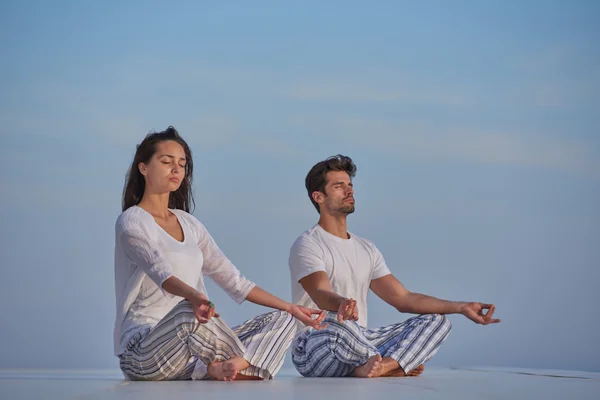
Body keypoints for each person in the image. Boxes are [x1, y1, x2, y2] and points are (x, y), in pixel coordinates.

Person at [114, 126, 326, 382]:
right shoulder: (132, 222)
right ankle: (229, 365)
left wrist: (291, 307)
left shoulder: (189, 224)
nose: (176, 169)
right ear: (143, 168)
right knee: (186, 313)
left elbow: (234, 281)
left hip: (191, 351)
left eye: (182, 164)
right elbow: (160, 272)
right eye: (166, 161)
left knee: (284, 320)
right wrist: (195, 297)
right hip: (143, 351)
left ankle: (218, 367)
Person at [289, 155, 500, 378]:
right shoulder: (308, 244)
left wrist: (461, 307)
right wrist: (341, 303)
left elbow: (403, 298)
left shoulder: (366, 248)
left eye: (350, 185)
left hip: (359, 343)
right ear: (319, 196)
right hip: (317, 345)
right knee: (337, 322)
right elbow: (321, 293)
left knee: (436, 321)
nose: (349, 191)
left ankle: (382, 367)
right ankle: (396, 364)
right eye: (339, 186)